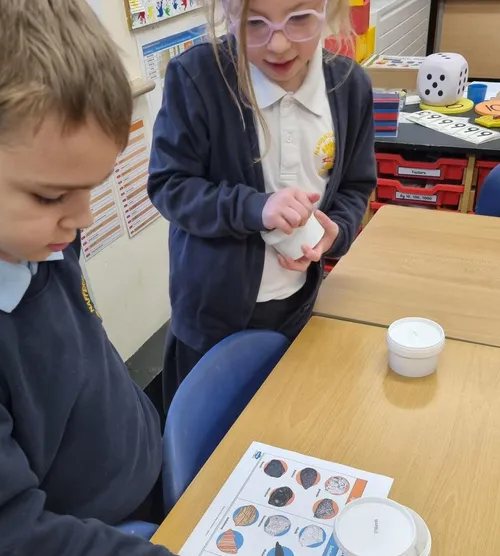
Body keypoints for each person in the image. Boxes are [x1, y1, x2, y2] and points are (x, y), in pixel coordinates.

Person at [0, 0, 290, 556]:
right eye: (50, 195)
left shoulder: (37, 238)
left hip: (143, 480)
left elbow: (81, 357)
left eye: (90, 189)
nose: (81, 219)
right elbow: (16, 531)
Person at [149, 0, 377, 407]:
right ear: (228, 15)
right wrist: (256, 208)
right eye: (255, 24)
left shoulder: (349, 86)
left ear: (327, 9)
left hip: (300, 306)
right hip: (211, 317)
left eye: (299, 19)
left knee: (285, 418)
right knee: (210, 428)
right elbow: (170, 185)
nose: (278, 45)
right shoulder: (197, 78)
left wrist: (336, 230)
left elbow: (355, 185)